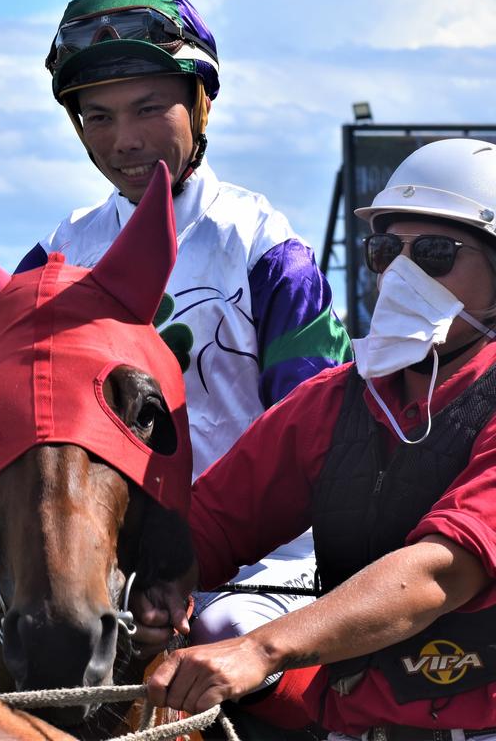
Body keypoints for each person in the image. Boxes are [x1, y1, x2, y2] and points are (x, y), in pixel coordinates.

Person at [18, 0, 351, 679]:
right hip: (101, 572)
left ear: (201, 104)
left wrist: (197, 560)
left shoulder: (265, 247)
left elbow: (318, 435)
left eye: (147, 109)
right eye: (97, 117)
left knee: (222, 627)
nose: (124, 140)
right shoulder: (59, 251)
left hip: (257, 566)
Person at [132, 138, 496, 738]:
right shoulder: (334, 401)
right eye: (385, 250)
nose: (400, 274)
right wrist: (161, 584)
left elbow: (442, 571)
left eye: (434, 252)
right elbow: (215, 523)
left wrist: (261, 650)